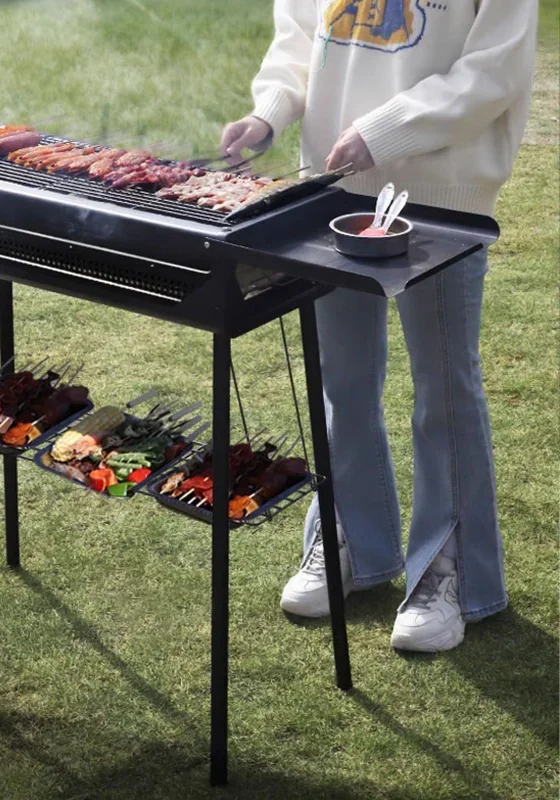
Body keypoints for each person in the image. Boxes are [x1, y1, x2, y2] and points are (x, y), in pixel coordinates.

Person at [221, 0, 538, 653]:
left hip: (443, 198)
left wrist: (384, 131)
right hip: (334, 188)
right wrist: (269, 111)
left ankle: (445, 572)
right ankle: (347, 539)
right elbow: (301, 35)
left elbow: (495, 70)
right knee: (343, 381)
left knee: (445, 391)